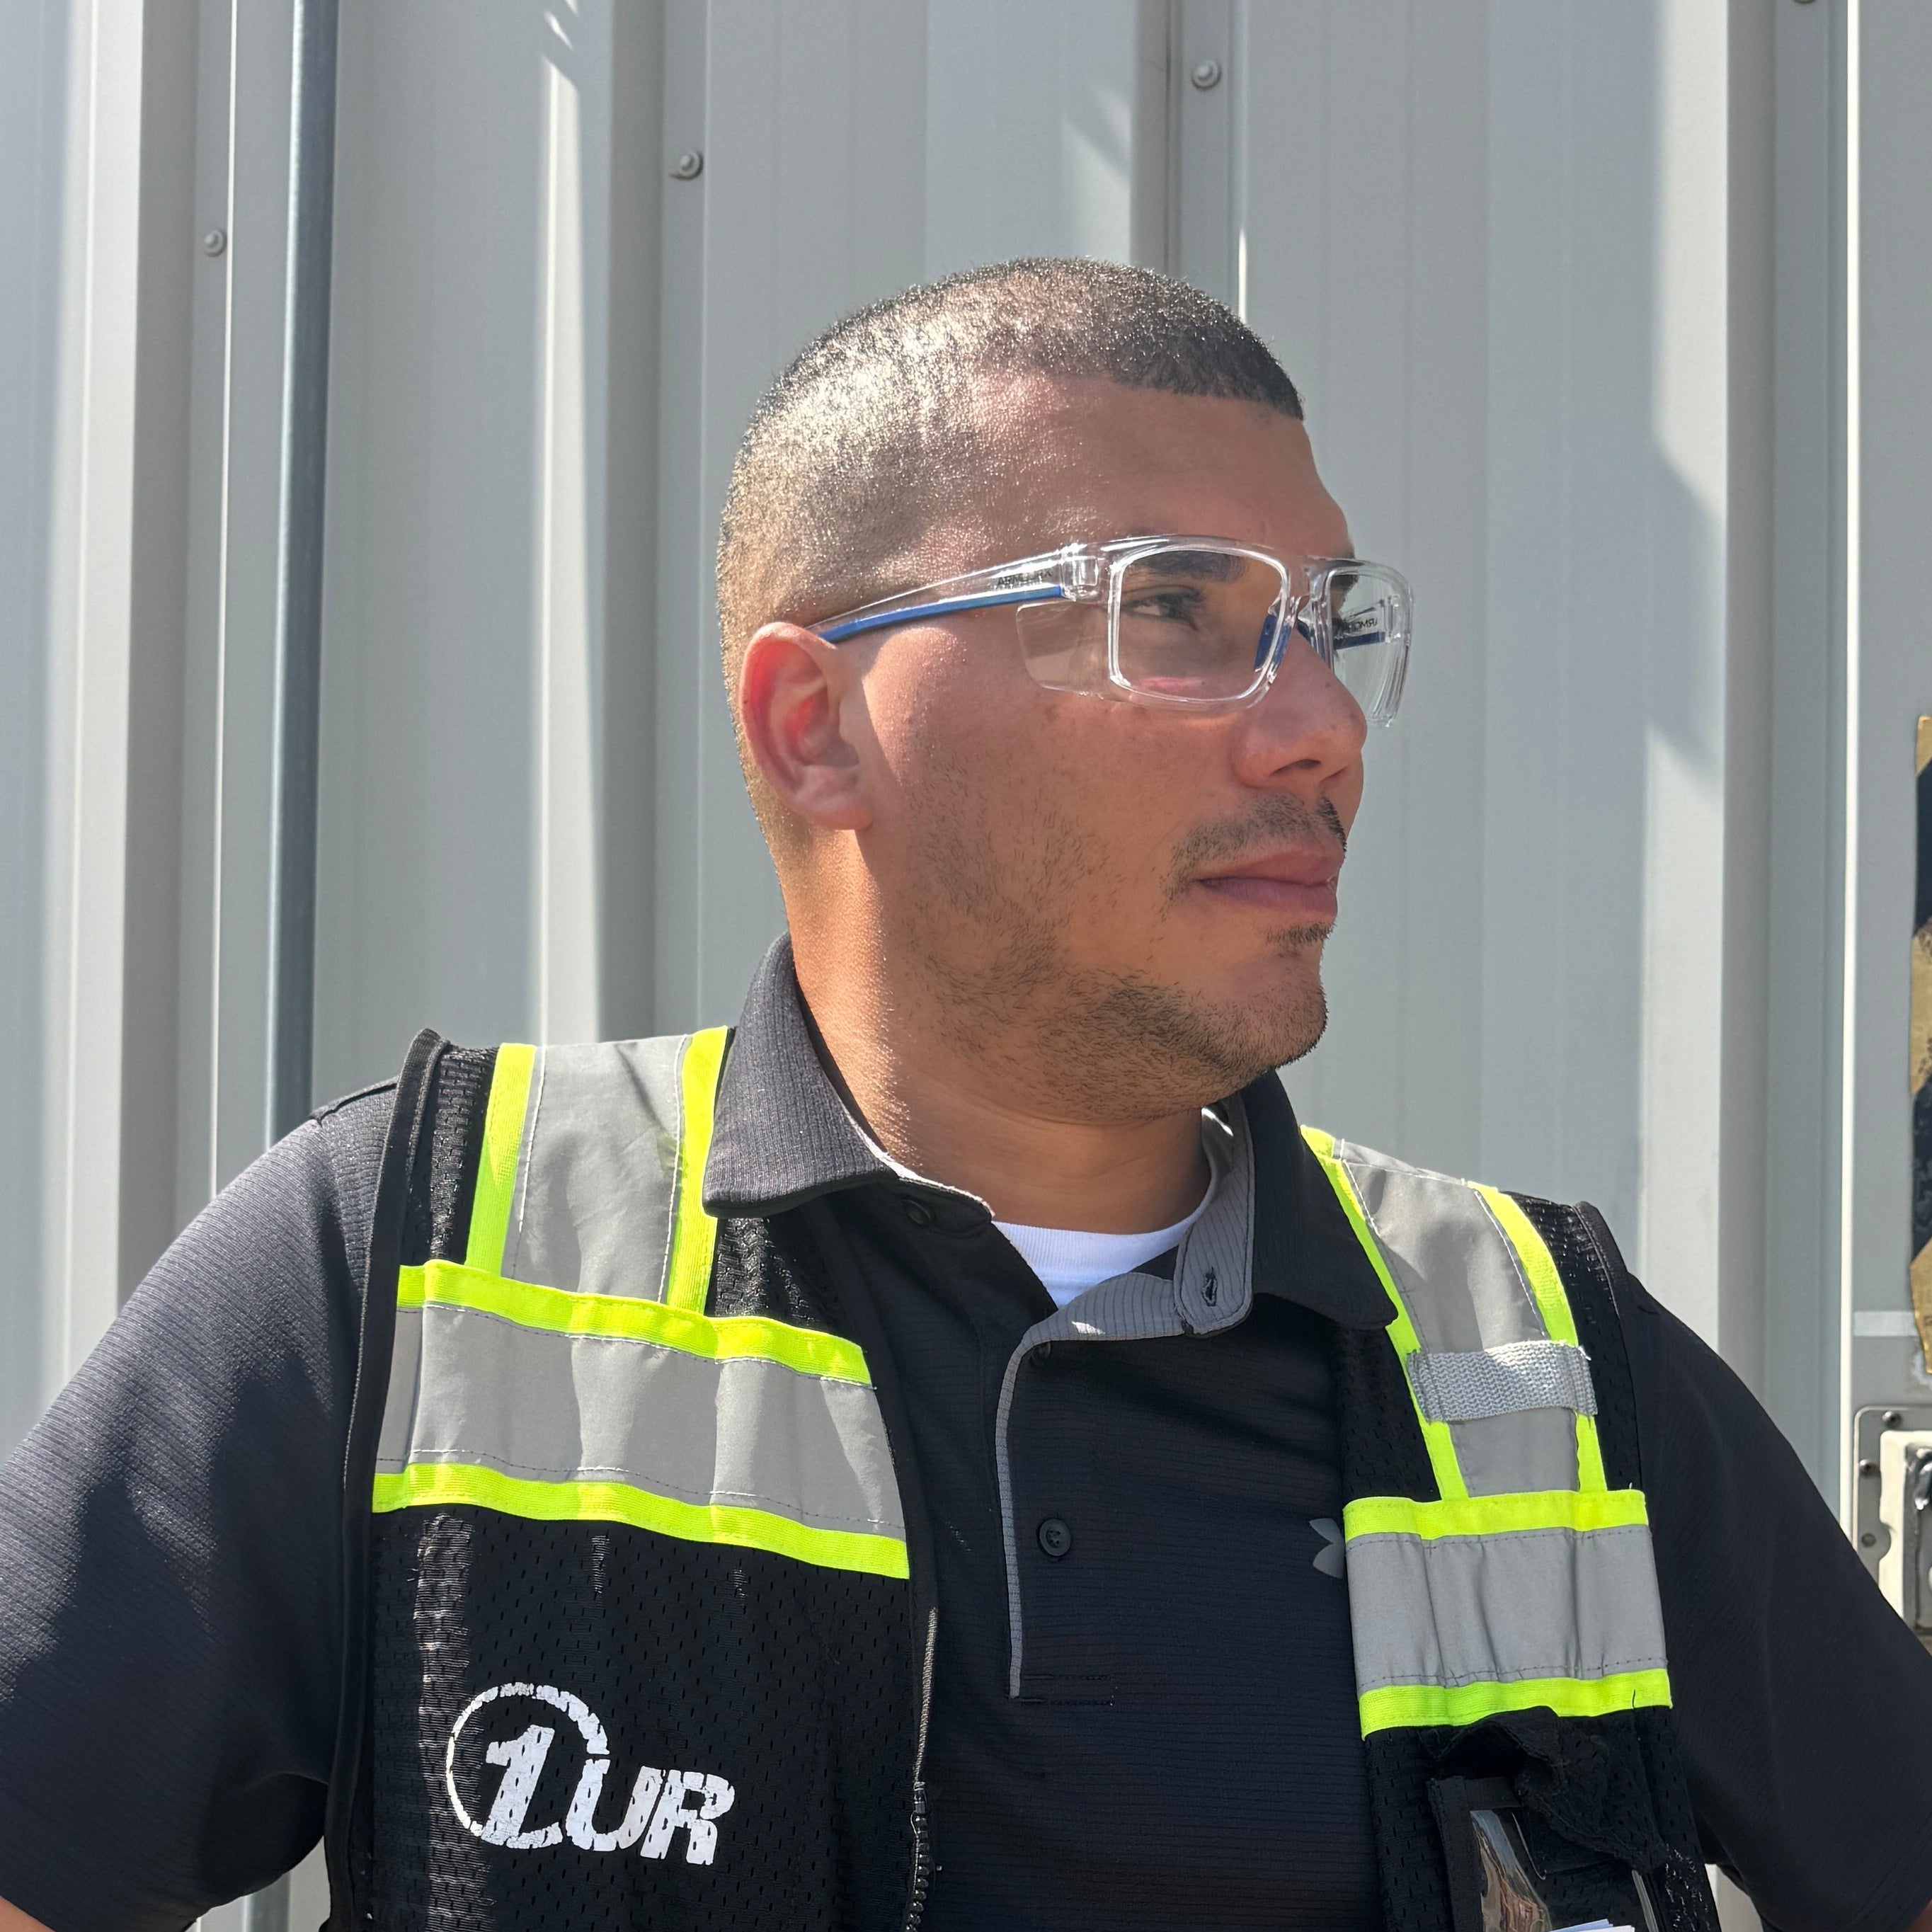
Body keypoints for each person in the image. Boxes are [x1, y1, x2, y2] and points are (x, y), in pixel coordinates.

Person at [1, 258, 1930, 1932]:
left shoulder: (1540, 1358)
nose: (1323, 722)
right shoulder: (407, 1261)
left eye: (1329, 620)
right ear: (812, 722)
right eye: (1172, 607)